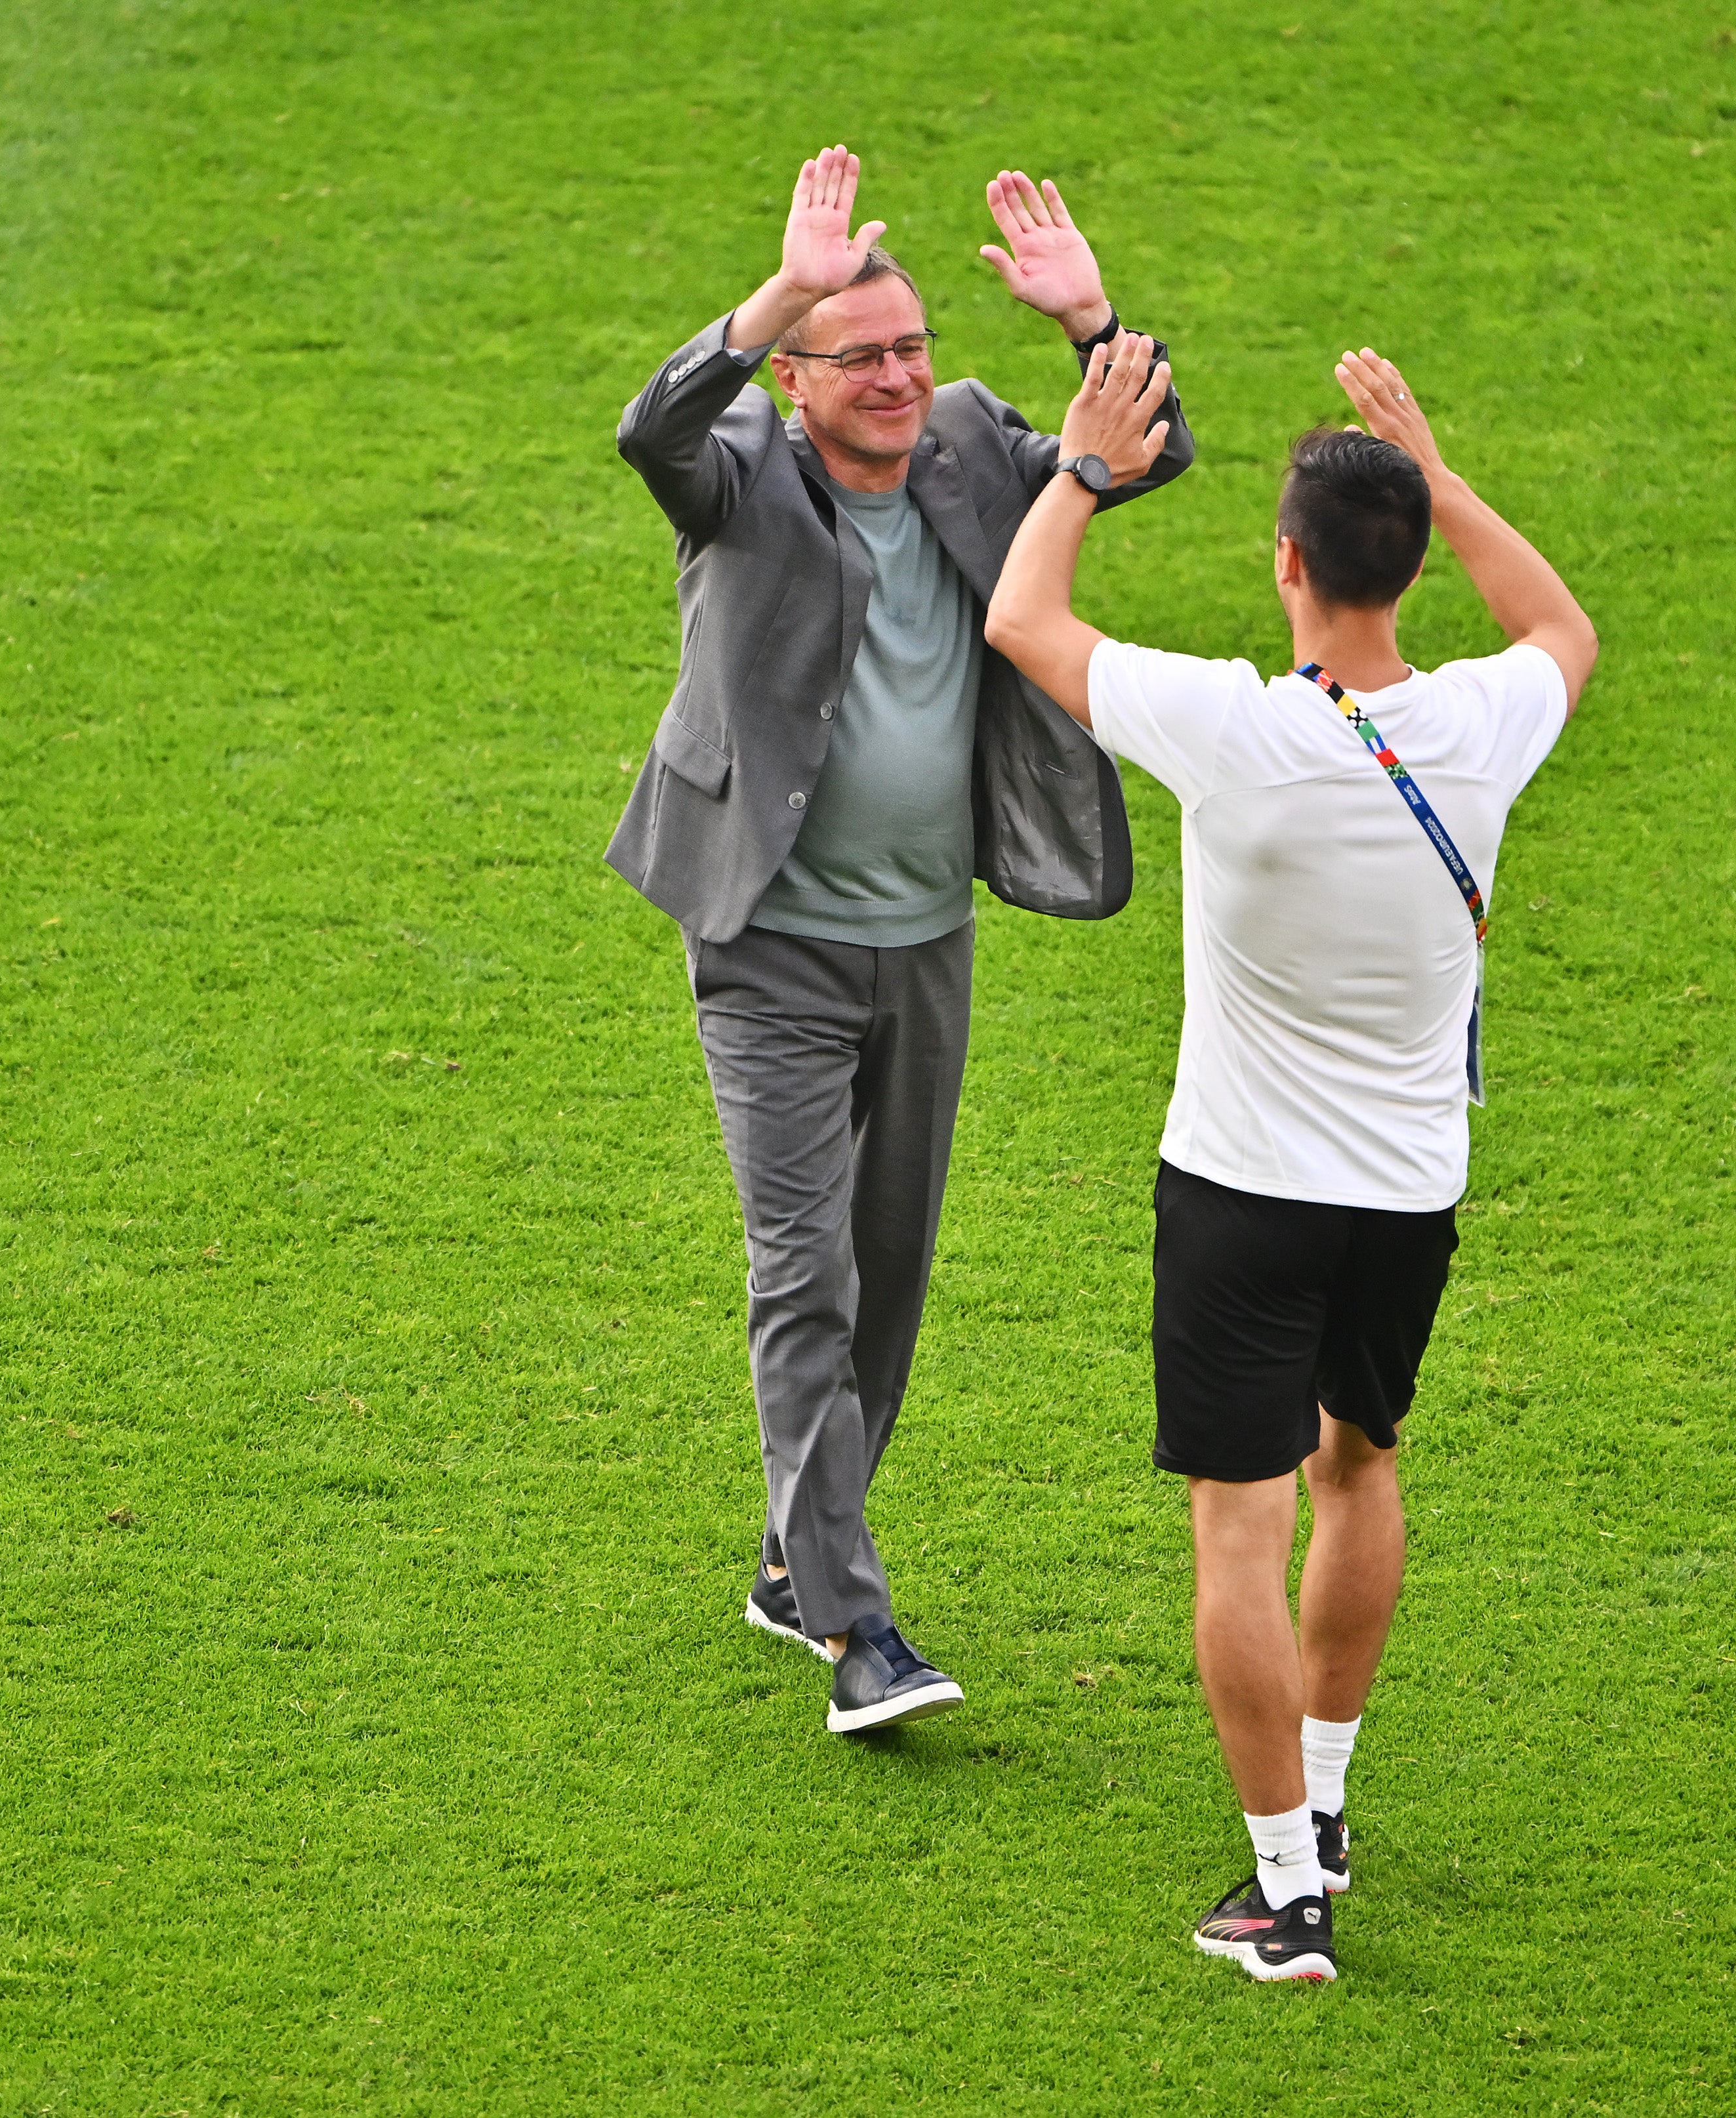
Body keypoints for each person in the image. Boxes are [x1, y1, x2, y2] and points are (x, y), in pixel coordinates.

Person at [983, 337, 1596, 1980]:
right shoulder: (1484, 726)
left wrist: (1085, 469)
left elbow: (1022, 620)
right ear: (1405, 565)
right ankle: (1321, 1803)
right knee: (1362, 1468)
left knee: (1237, 1523)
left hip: (1242, 1196)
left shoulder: (1231, 728)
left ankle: (1282, 1894)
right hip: (1410, 1200)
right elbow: (1564, 627)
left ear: (1287, 567)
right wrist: (1437, 472)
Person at [610, 148, 1195, 1735]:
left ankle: (797, 1558)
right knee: (803, 1274)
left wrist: (1094, 329)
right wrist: (768, 300)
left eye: (910, 345)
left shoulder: (968, 443)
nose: (895, 375)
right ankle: (858, 1631)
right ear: (793, 379)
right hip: (772, 943)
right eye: (854, 352)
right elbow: (647, 427)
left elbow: (1146, 451)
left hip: (929, 940)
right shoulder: (738, 467)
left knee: (890, 1276)